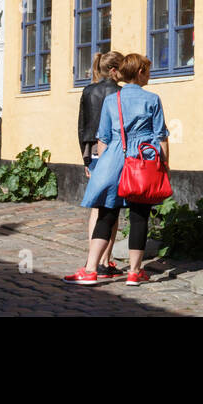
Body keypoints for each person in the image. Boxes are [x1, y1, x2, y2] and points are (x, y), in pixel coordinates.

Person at [65, 54, 169, 286]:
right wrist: (164, 165)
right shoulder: (152, 99)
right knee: (139, 216)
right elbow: (160, 135)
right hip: (143, 158)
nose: (150, 74)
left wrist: (104, 165)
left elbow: (103, 137)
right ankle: (133, 272)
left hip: (113, 157)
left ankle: (91, 270)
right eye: (148, 70)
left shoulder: (113, 100)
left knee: (106, 214)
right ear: (140, 72)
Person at [68, 51, 123, 281]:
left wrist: (86, 160)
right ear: (114, 70)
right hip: (114, 151)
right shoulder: (120, 93)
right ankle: (104, 260)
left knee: (96, 207)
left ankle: (92, 258)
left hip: (92, 151)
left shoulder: (89, 91)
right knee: (112, 207)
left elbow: (82, 126)